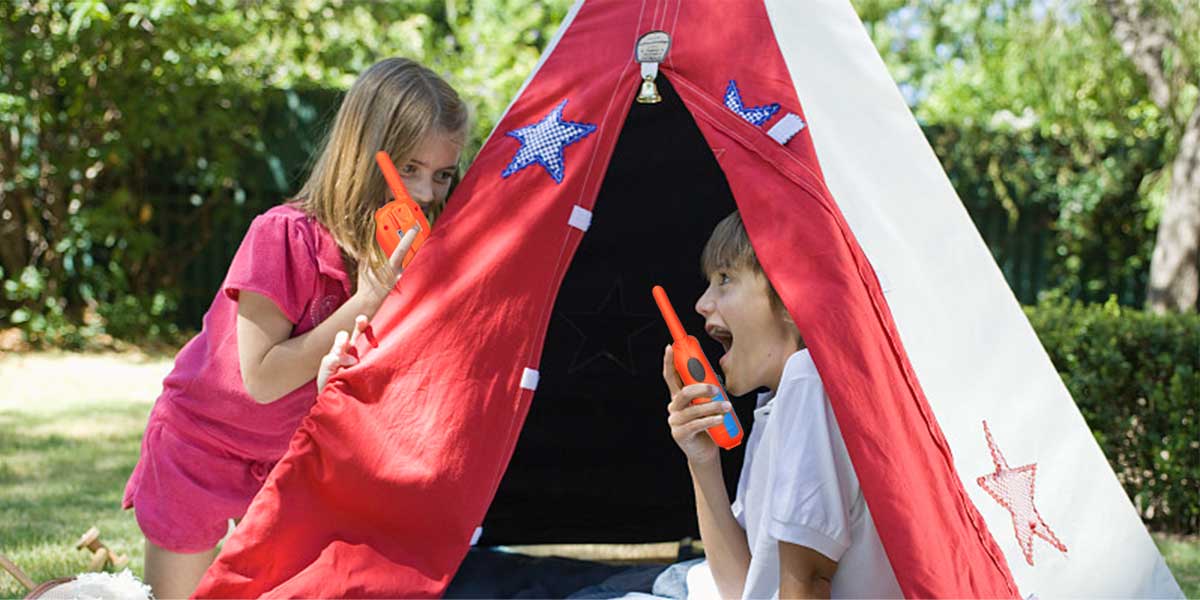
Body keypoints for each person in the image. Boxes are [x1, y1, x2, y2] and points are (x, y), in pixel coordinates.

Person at [121, 57, 468, 599]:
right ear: (363, 153)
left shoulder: (402, 252)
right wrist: (368, 300)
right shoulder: (282, 236)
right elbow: (261, 379)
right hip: (200, 449)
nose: (424, 193)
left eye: (442, 174)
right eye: (409, 169)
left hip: (289, 463)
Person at [660, 211, 901, 599]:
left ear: (791, 297)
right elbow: (743, 586)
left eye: (725, 279)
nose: (703, 303)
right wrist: (701, 460)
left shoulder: (810, 381)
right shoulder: (778, 396)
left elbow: (807, 583)